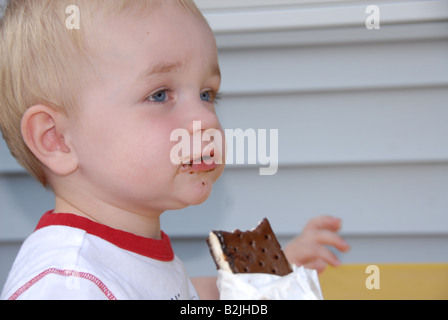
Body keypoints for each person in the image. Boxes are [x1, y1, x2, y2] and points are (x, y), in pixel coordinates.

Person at [0, 0, 349, 300]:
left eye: (207, 94)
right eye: (159, 94)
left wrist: (263, 281)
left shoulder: (126, 253)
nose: (205, 119)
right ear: (57, 139)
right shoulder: (67, 285)